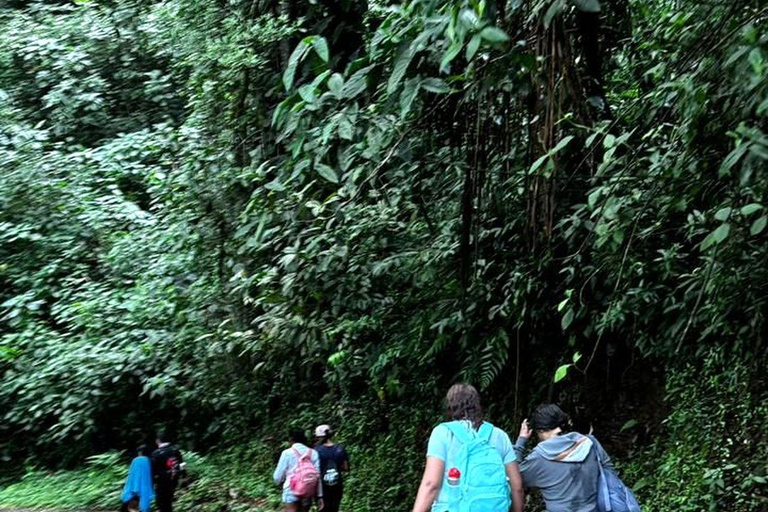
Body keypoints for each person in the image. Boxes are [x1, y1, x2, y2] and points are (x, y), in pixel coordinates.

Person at [411, 383, 525, 512]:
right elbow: (517, 487)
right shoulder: (499, 436)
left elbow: (431, 484)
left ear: (450, 406)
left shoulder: (442, 433)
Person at [514, 404, 614, 512]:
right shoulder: (591, 443)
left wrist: (521, 441)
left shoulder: (539, 457)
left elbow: (514, 479)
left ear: (541, 431)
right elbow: (609, 471)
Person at [273, 428, 324, 512]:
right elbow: (318, 476)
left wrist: (279, 483)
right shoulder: (313, 453)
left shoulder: (287, 453)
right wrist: (319, 496)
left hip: (290, 490)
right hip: (308, 491)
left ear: (291, 439)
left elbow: (277, 477)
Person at [314, 424, 349, 512]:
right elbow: (346, 467)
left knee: (322, 509)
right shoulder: (340, 449)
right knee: (334, 508)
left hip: (322, 488)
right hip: (337, 485)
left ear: (320, 437)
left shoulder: (316, 451)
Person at [151, 432, 184, 512]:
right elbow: (182, 465)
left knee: (161, 503)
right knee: (168, 501)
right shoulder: (175, 450)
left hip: (161, 482)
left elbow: (153, 470)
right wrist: (183, 476)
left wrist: (152, 482)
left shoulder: (156, 453)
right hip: (174, 479)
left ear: (158, 440)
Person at [120, 444, 154, 512]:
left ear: (140, 452)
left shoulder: (136, 460)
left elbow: (132, 474)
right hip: (145, 486)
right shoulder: (150, 460)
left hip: (134, 485)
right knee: (143, 504)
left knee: (128, 504)